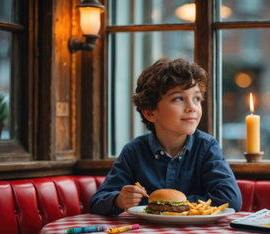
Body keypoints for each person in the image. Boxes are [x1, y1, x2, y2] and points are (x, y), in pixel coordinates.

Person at [89, 57, 242, 215]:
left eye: (196, 98)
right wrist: (119, 200)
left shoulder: (207, 146)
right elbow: (97, 201)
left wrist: (172, 206)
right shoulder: (134, 152)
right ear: (150, 112)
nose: (192, 107)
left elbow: (230, 199)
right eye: (178, 99)